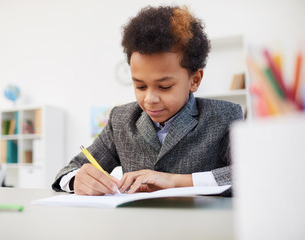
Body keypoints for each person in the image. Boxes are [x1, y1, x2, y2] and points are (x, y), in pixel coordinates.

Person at [52, 5, 243, 195]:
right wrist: (78, 179)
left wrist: (175, 181)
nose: (150, 99)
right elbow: (68, 171)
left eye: (165, 87)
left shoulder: (225, 116)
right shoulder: (121, 120)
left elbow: (248, 174)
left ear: (195, 80)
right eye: (140, 86)